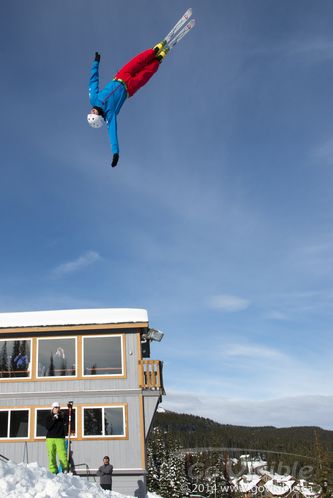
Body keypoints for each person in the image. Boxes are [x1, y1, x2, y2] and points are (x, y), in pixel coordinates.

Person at [87, 41, 168, 168]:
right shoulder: (110, 115)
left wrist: (95, 63)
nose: (92, 110)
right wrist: (115, 153)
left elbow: (93, 81)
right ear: (97, 117)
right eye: (93, 113)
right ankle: (158, 59)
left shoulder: (94, 99)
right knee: (145, 74)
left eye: (91, 112)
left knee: (138, 61)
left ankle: (154, 50)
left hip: (120, 76)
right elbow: (112, 134)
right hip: (129, 88)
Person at [45, 402, 68, 474]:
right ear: (52, 408)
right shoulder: (48, 416)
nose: (57, 409)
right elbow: (48, 427)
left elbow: (67, 422)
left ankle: (65, 469)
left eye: (58, 407)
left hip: (60, 438)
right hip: (50, 438)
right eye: (55, 407)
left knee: (62, 454)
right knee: (51, 454)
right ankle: (53, 470)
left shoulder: (62, 416)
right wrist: (53, 419)